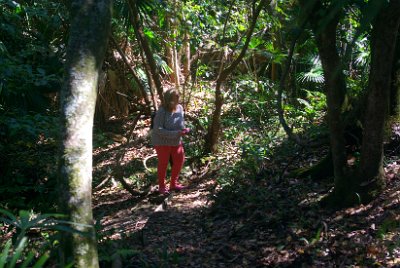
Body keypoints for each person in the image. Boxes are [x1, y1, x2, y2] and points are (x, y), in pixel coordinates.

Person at [151, 89, 189, 194]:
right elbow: (157, 129)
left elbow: (180, 122)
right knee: (163, 163)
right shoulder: (162, 111)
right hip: (161, 141)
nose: (177, 100)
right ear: (168, 100)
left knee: (179, 160)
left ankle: (173, 184)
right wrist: (176, 133)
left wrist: (184, 130)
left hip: (176, 140)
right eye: (174, 98)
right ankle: (162, 187)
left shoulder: (180, 108)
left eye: (178, 97)